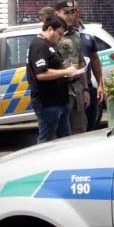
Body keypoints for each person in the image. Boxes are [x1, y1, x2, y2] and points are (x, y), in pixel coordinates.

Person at [27, 14, 79, 143]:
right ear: (50, 29)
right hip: (47, 103)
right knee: (47, 142)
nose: (61, 38)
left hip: (59, 101)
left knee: (64, 142)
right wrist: (65, 71)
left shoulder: (48, 45)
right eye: (60, 34)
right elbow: (41, 74)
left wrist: (67, 72)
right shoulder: (39, 45)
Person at [56, 0, 104, 132]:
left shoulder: (76, 35)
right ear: (57, 13)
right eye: (66, 13)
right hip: (59, 91)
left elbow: (81, 64)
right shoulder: (52, 34)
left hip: (77, 91)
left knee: (80, 131)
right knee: (59, 134)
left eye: (73, 12)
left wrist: (86, 89)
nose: (71, 16)